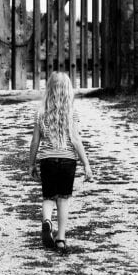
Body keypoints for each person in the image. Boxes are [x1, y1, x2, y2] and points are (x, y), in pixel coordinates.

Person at [27, 72, 94, 253]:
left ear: (49, 89)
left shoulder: (40, 113)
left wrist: (32, 163)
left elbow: (35, 141)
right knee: (63, 200)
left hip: (47, 160)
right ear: (68, 91)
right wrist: (86, 164)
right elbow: (76, 140)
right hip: (67, 161)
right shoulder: (71, 112)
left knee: (48, 197)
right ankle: (61, 239)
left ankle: (47, 220)